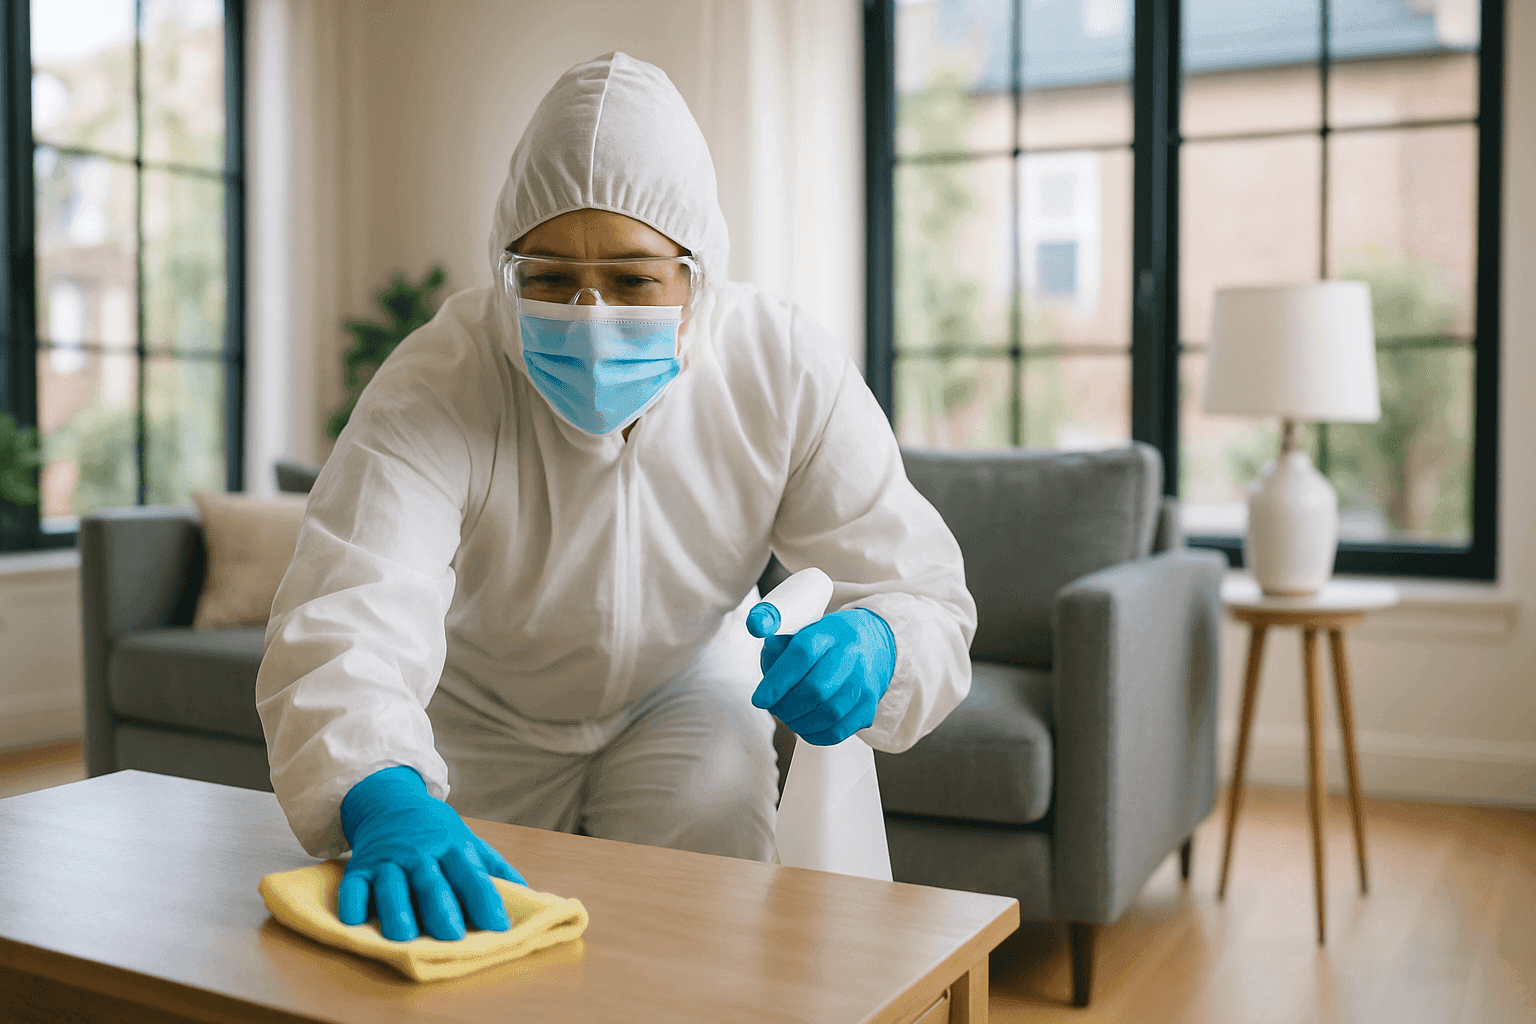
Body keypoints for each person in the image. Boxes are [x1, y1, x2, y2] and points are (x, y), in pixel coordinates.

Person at [256, 52, 976, 943]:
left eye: (634, 281)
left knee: (702, 944)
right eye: (549, 279)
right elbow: (349, 603)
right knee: (472, 951)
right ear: (505, 270)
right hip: (483, 714)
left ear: (697, 276)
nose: (590, 318)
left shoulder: (782, 368)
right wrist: (381, 791)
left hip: (688, 694)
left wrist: (879, 642)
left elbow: (923, 592)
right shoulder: (440, 379)